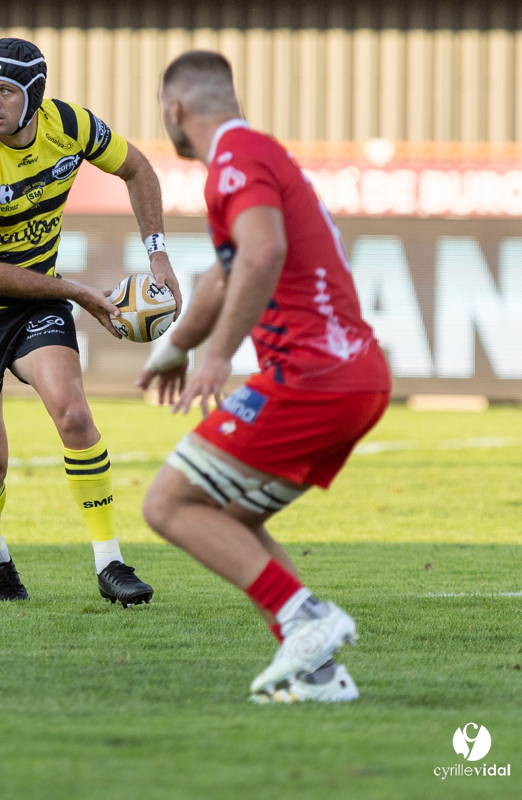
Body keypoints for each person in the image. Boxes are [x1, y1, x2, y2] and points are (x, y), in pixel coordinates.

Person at [138, 50, 392, 702]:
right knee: (227, 512)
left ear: (175, 111)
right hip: (351, 376)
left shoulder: (234, 159)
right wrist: (177, 347)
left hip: (315, 375)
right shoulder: (255, 153)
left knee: (166, 503)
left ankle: (305, 618)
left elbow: (264, 253)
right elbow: (226, 275)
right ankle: (318, 674)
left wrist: (217, 355)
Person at [0, 37, 181, 605]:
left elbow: (137, 169)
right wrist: (81, 293)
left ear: (34, 95)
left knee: (72, 412)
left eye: (5, 92)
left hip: (34, 304)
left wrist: (159, 254)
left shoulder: (70, 126)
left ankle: (109, 563)